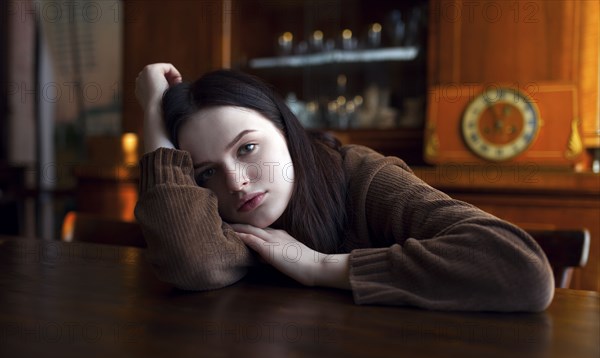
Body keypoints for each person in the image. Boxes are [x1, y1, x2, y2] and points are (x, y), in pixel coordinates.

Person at [134, 63, 554, 311]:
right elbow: (194, 263)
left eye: (247, 148)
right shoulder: (215, 214)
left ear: (288, 131)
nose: (236, 183)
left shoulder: (359, 175)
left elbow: (521, 270)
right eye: (207, 172)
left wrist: (320, 266)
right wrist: (153, 117)